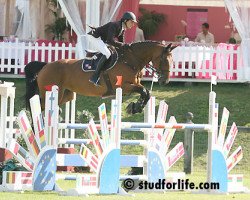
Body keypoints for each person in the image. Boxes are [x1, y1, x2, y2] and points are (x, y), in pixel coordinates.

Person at [87, 11, 137, 86]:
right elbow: (110, 41)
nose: (133, 24)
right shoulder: (114, 25)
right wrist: (124, 45)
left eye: (134, 23)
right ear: (125, 20)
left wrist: (128, 49)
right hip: (95, 37)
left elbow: (121, 43)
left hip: (101, 39)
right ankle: (94, 76)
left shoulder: (122, 28)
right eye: (132, 22)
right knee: (107, 53)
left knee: (112, 51)